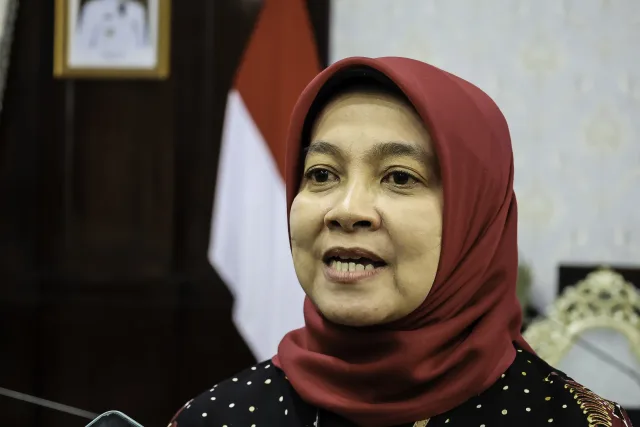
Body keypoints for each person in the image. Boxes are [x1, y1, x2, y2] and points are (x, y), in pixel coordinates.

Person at [168, 57, 634, 427]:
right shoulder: (218, 418)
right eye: (322, 174)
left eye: (399, 177)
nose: (346, 209)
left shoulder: (573, 420)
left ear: (475, 218)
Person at [75, 0, 147, 57]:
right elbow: (83, 44)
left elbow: (141, 45)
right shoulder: (92, 8)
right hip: (98, 62)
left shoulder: (137, 10)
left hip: (129, 63)